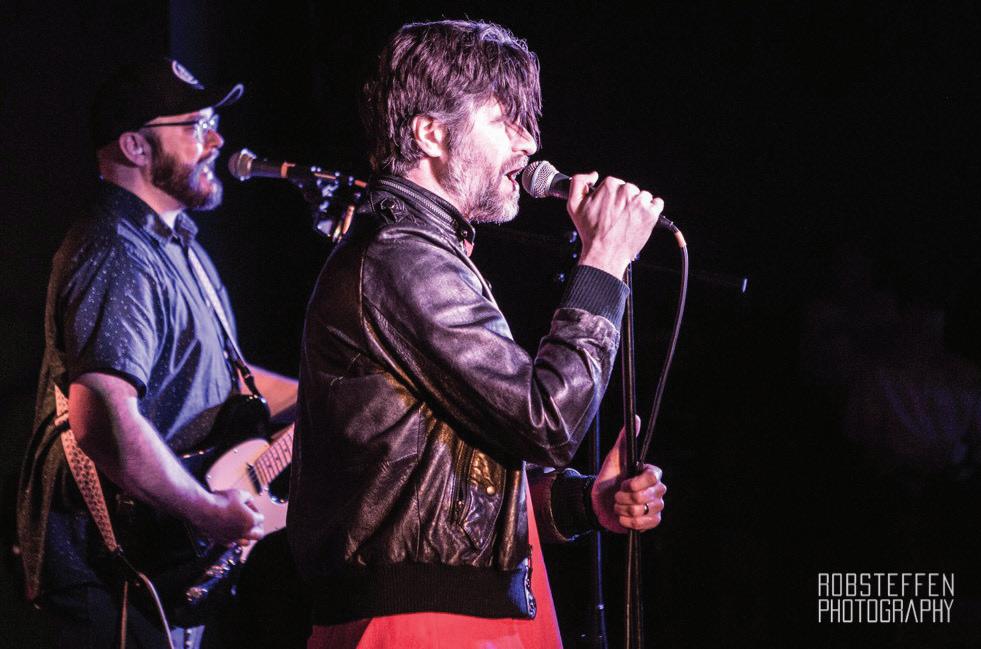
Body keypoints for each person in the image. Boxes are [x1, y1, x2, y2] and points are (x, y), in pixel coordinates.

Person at [289, 20, 668, 648]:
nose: (529, 142)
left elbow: (448, 485)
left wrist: (584, 505)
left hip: (460, 613)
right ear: (431, 134)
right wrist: (602, 263)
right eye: (505, 120)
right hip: (418, 625)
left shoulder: (423, 255)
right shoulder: (403, 258)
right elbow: (546, 421)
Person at [16, 58, 297, 648]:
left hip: (159, 575)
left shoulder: (181, 247)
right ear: (135, 147)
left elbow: (225, 382)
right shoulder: (115, 248)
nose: (216, 142)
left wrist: (334, 398)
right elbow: (103, 418)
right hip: (110, 575)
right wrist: (205, 510)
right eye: (197, 126)